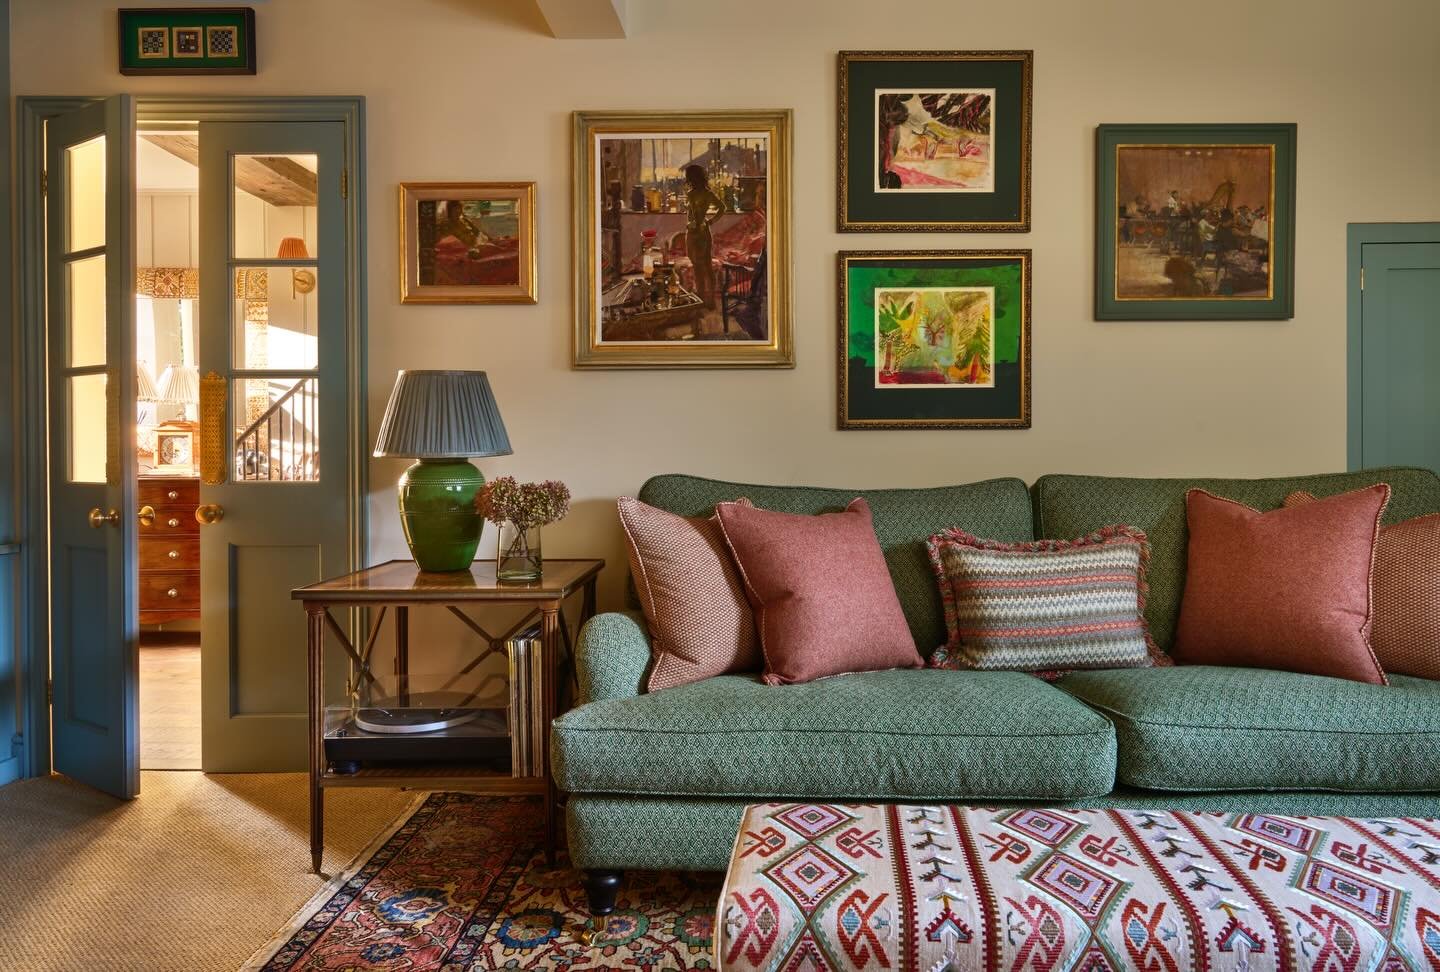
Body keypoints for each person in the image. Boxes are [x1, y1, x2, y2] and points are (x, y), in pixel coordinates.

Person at [684, 164, 726, 310]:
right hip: (697, 232)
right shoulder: (698, 193)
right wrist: (709, 222)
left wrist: (710, 221)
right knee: (703, 266)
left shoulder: (699, 194)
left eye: (688, 177)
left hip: (698, 233)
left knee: (701, 267)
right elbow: (722, 208)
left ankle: (704, 300)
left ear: (692, 178)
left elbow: (722, 207)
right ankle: (707, 299)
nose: (687, 180)